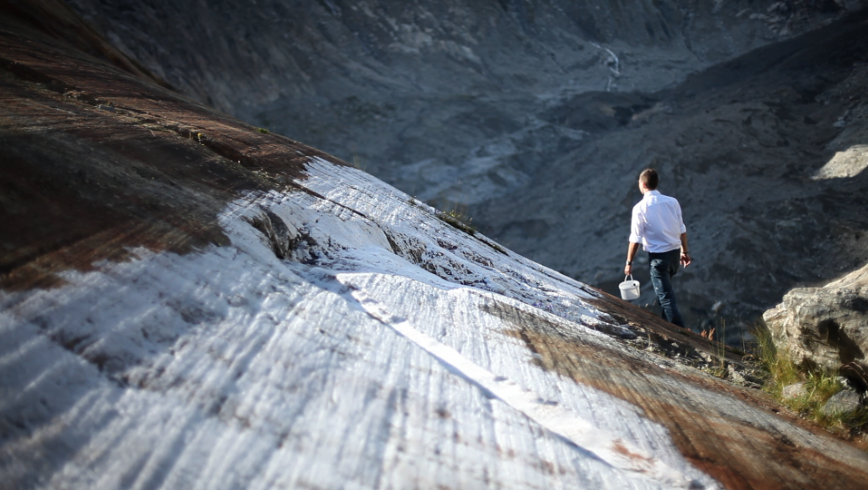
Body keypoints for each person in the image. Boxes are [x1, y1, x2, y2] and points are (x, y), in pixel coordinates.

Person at [624, 168, 691, 327]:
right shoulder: (672, 201)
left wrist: (629, 262)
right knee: (664, 295)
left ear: (643, 184)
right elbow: (681, 228)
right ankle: (667, 328)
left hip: (658, 259)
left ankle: (680, 334)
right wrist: (685, 251)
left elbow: (635, 239)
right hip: (675, 255)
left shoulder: (640, 208)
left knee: (666, 298)